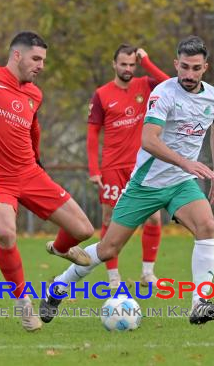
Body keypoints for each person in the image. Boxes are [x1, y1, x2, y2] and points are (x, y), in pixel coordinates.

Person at [41, 36, 214, 325]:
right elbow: (149, 140)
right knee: (108, 249)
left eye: (195, 68)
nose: (189, 75)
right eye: (184, 67)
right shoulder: (164, 94)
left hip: (180, 182)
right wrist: (187, 162)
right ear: (176, 64)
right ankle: (59, 287)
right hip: (146, 184)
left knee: (207, 226)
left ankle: (199, 304)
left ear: (205, 67)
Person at [0, 26, 95, 331]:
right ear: (17, 55)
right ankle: (23, 303)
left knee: (84, 229)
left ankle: (61, 248)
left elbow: (32, 126)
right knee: (6, 234)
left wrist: (37, 156)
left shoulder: (34, 94)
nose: (41, 66)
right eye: (36, 59)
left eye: (43, 60)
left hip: (29, 173)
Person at [87, 44, 169, 288]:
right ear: (114, 64)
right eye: (123, 64)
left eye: (132, 64)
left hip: (144, 166)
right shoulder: (102, 94)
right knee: (111, 219)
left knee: (154, 218)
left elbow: (171, 84)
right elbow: (92, 134)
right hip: (113, 166)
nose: (128, 69)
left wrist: (147, 61)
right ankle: (113, 276)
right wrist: (94, 169)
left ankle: (147, 273)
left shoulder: (146, 85)